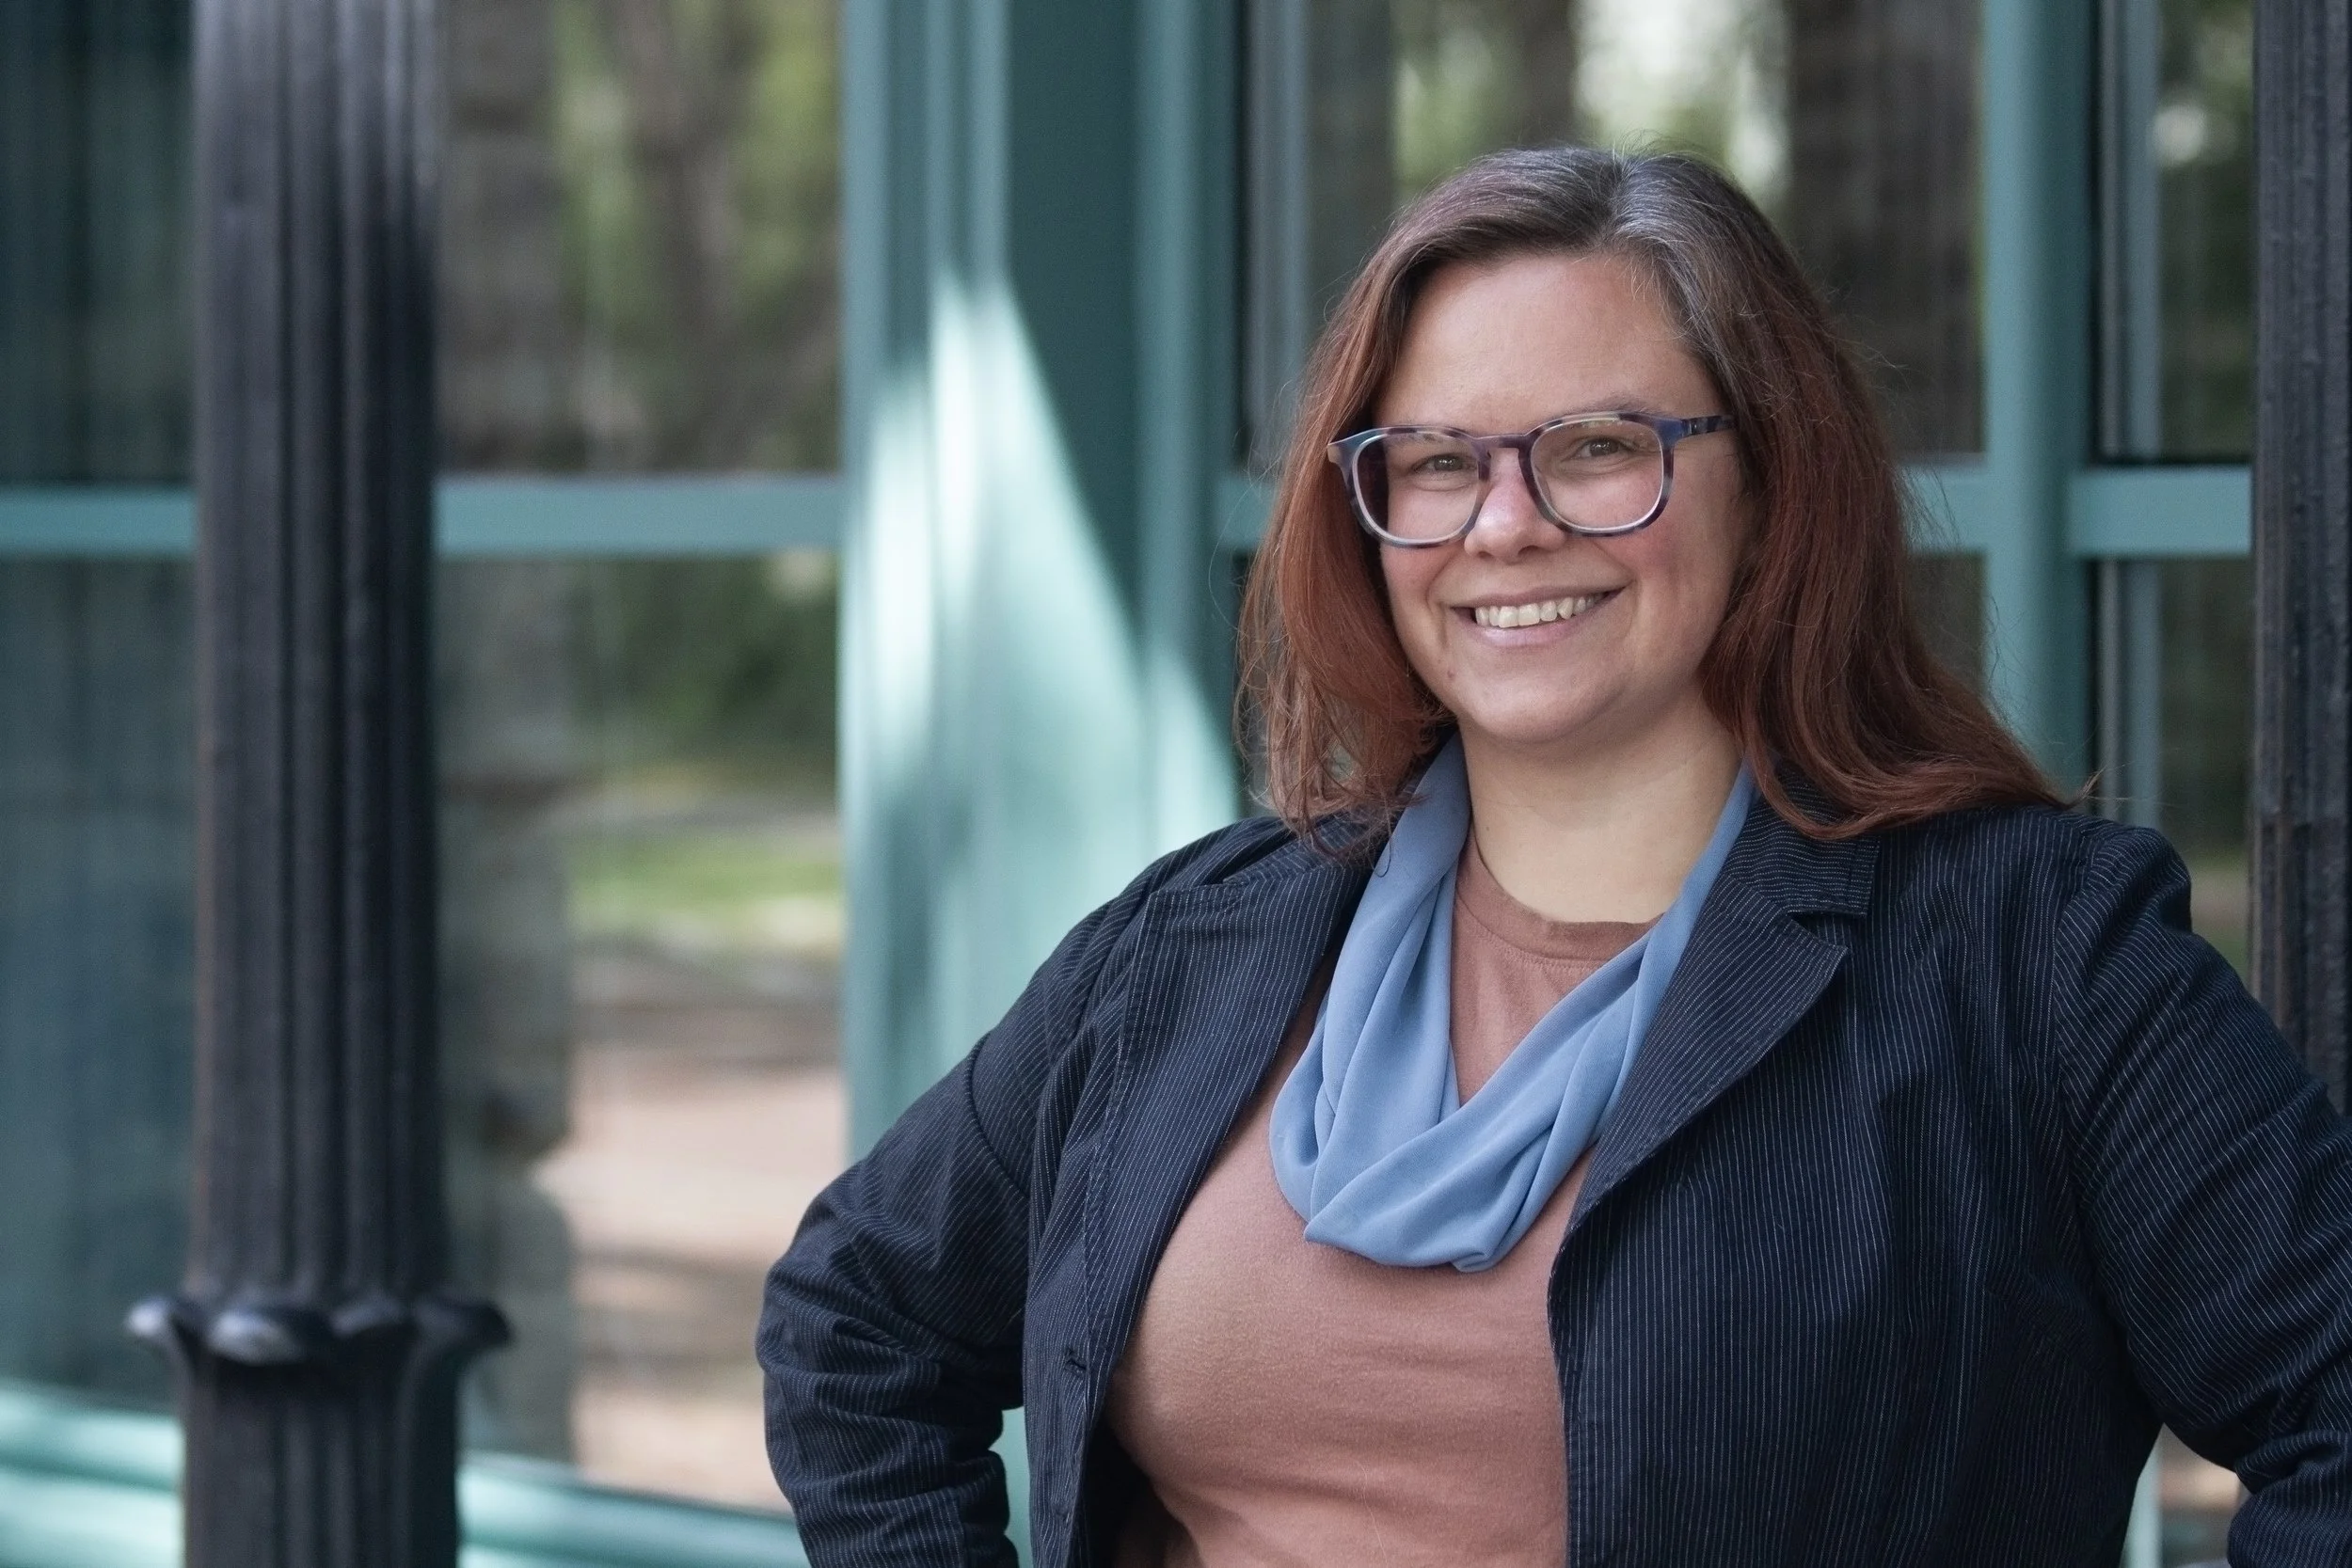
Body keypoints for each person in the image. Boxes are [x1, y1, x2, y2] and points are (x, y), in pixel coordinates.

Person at [758, 147, 2352, 1568]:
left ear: (1774, 483)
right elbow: (856, 1319)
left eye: (1596, 446)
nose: (1504, 524)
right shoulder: (1203, 940)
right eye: (1438, 461)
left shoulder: (2033, 958)